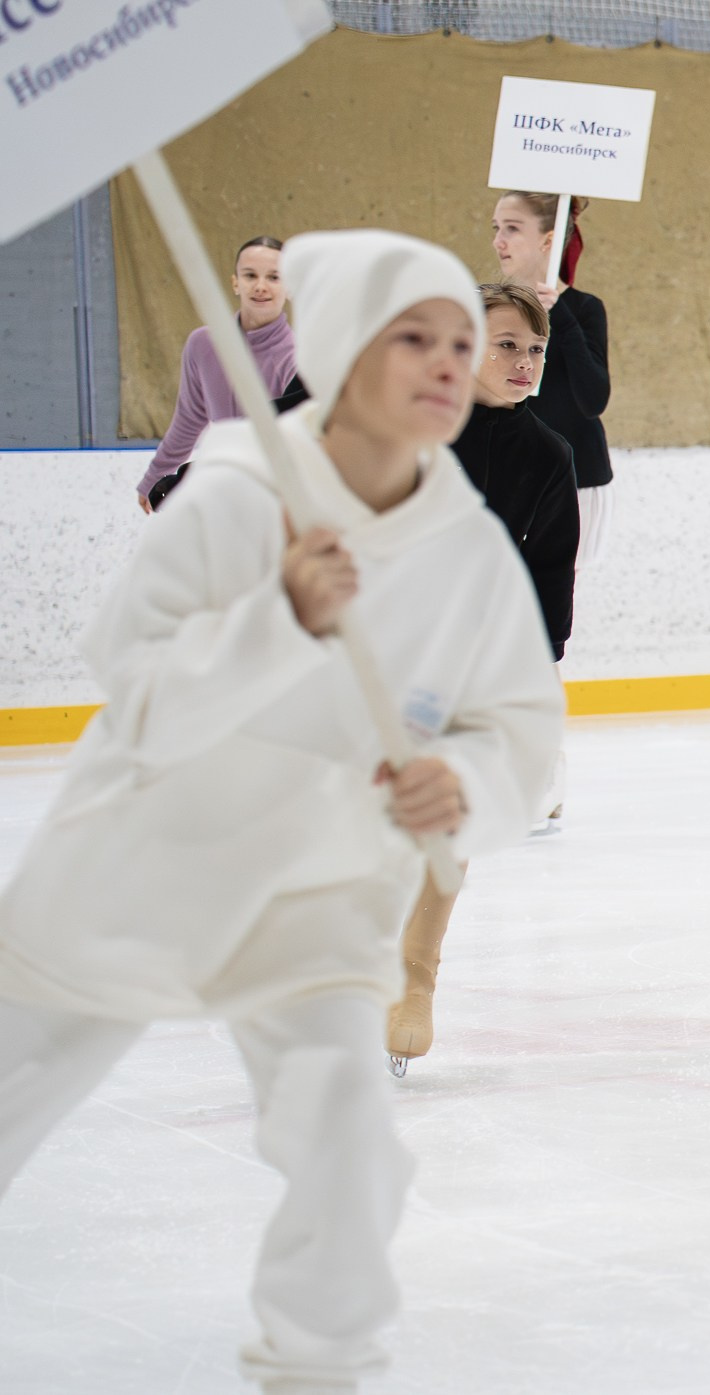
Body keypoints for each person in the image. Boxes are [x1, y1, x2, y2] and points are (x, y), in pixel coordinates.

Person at [0, 230, 565, 1393]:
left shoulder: (465, 543)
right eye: (416, 334)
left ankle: (315, 1369)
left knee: (349, 1149)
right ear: (345, 345)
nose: (452, 360)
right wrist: (278, 620)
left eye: (465, 341)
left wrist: (464, 782)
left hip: (315, 890)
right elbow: (134, 682)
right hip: (141, 861)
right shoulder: (236, 490)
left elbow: (521, 726)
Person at [386, 280, 580, 1075]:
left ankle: (413, 981)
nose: (525, 362)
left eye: (535, 349)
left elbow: (548, 582)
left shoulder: (547, 455)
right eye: (507, 344)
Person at [137, 235, 304, 512]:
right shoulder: (203, 344)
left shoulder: (301, 357)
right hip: (223, 483)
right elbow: (190, 417)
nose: (260, 286)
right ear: (235, 282)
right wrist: (158, 474)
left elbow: (284, 433)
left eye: (274, 277)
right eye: (250, 275)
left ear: (289, 286)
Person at [491, 191, 612, 568]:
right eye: (496, 228)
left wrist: (558, 314)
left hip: (574, 479)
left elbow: (593, 400)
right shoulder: (492, 308)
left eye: (512, 228)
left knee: (556, 599)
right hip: (506, 473)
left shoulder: (583, 309)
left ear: (548, 239)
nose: (498, 241)